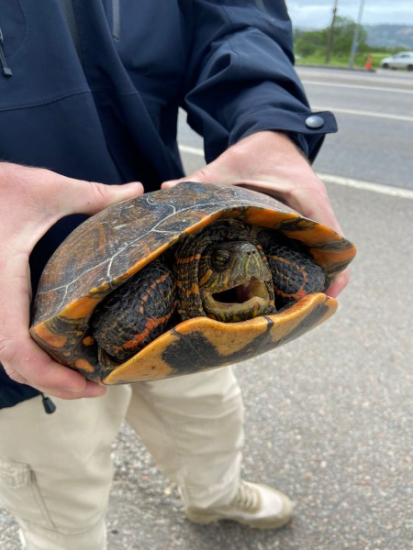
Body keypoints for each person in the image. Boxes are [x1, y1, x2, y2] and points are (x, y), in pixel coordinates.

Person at [0, 1, 348, 549]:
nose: (252, 266)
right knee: (61, 479)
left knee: (210, 416)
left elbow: (235, 17)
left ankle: (215, 495)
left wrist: (267, 118)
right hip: (21, 289)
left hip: (170, 222)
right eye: (230, 264)